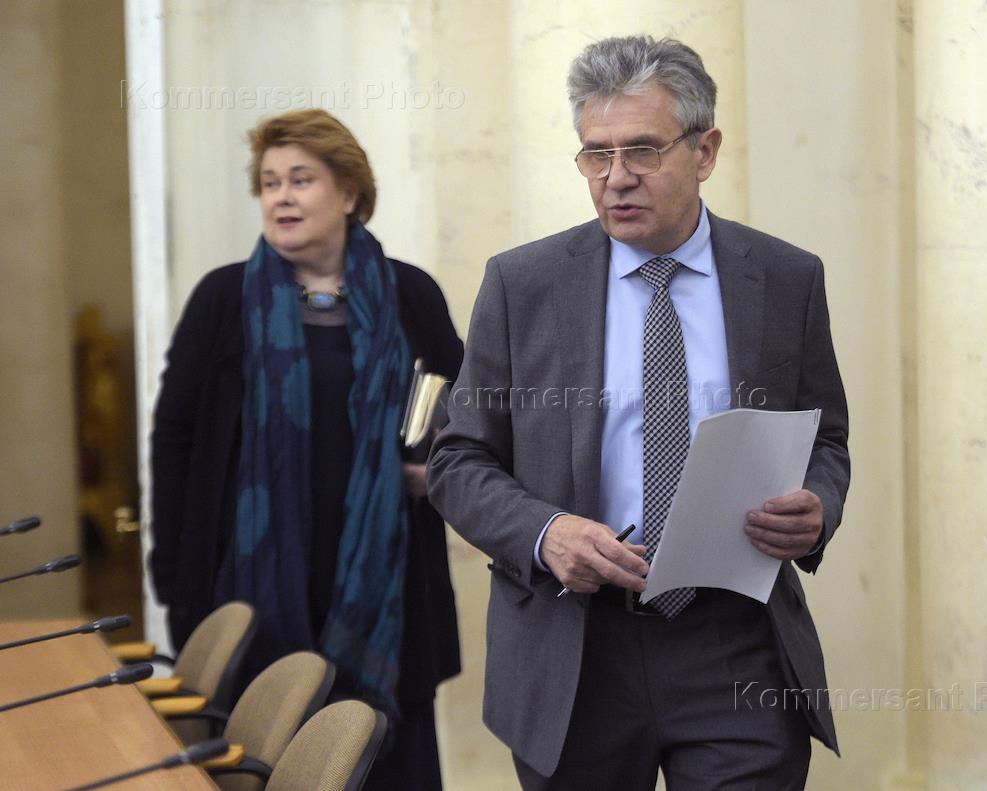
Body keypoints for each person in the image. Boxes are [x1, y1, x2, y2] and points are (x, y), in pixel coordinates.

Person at [428, 35, 851, 791]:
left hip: (736, 647)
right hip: (574, 648)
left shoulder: (785, 279)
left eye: (643, 151)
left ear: (705, 151)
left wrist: (817, 506)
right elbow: (458, 460)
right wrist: (547, 533)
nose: (616, 177)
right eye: (597, 154)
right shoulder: (522, 286)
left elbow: (827, 440)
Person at [150, 109, 461, 789]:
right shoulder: (223, 298)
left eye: (300, 180)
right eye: (269, 183)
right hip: (252, 587)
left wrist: (437, 467)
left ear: (348, 193)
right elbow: (174, 444)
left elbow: (468, 415)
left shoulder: (410, 295)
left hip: (387, 588)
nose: (281, 198)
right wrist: (174, 582)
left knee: (386, 764)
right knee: (257, 758)